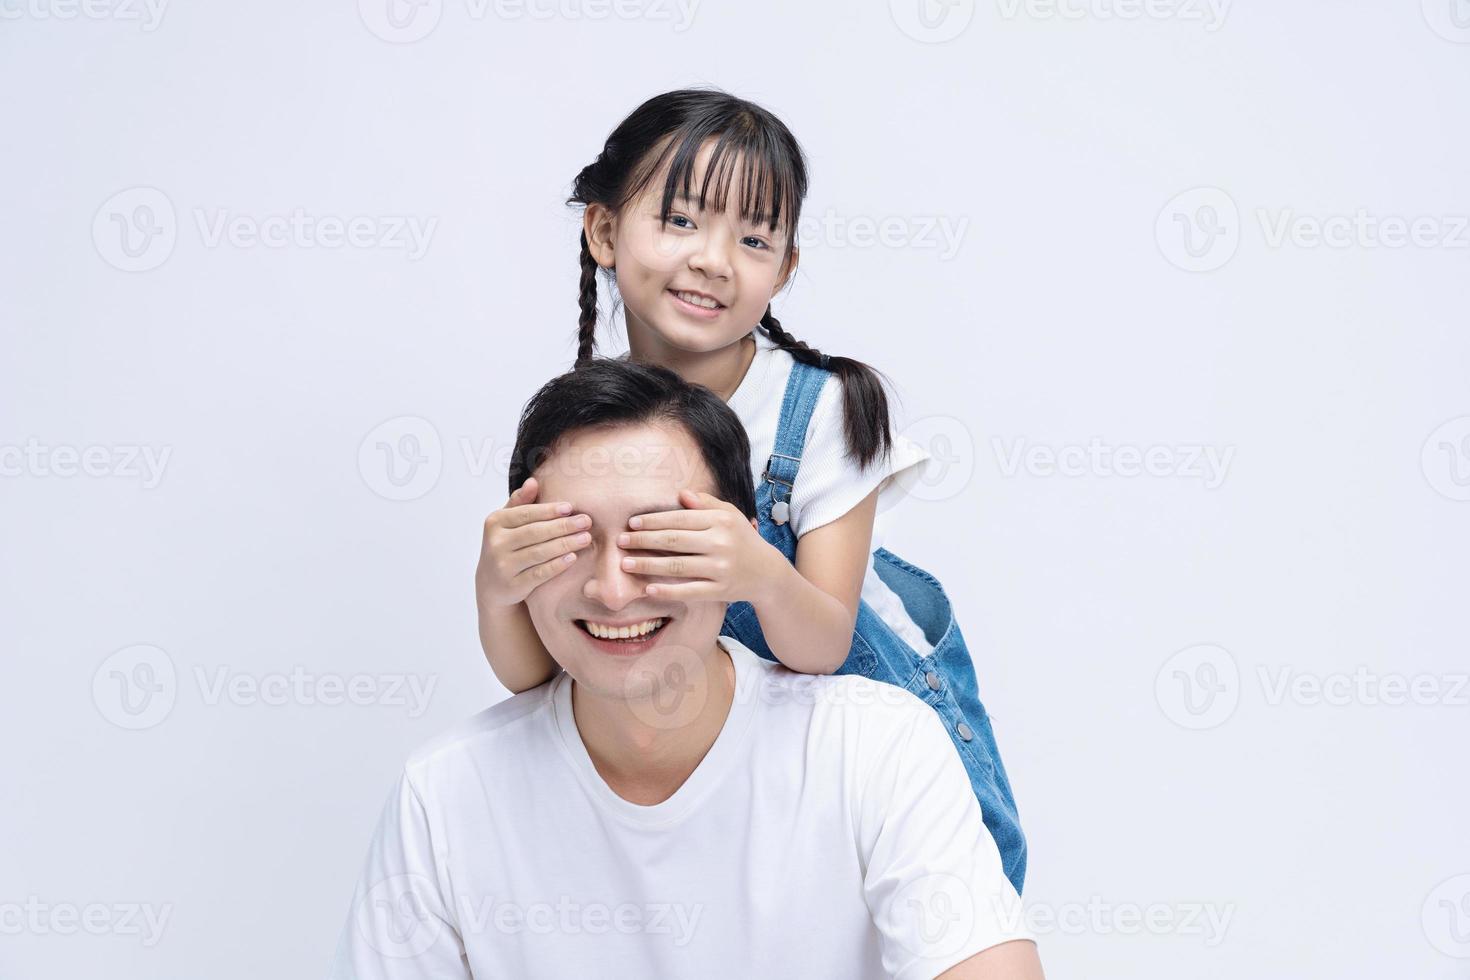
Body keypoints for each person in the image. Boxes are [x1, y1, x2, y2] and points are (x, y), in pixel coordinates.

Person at [473, 87, 1027, 893]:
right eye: (681, 221)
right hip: (720, 778)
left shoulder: (824, 409)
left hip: (856, 753)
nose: (714, 259)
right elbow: (538, 675)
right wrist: (495, 589)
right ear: (602, 230)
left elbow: (823, 647)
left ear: (786, 268)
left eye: (755, 237)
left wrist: (758, 572)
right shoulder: (584, 433)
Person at [332, 359, 1043, 979]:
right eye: (571, 540)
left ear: (738, 544)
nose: (614, 590)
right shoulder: (445, 798)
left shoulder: (877, 750)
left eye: (661, 542)